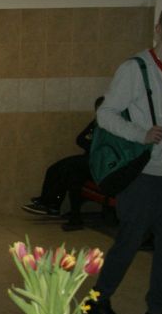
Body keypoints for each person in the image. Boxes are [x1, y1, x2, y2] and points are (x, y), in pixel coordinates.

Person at [87, 2, 162, 314]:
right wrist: (141, 134)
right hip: (145, 175)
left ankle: (157, 312)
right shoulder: (136, 69)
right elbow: (106, 113)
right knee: (128, 242)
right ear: (159, 29)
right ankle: (97, 302)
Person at [21, 97, 103, 231]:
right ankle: (48, 202)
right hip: (90, 160)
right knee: (55, 168)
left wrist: (92, 145)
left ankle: (53, 205)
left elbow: (99, 147)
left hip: (100, 164)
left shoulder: (112, 127)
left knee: (70, 171)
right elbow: (80, 139)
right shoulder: (96, 124)